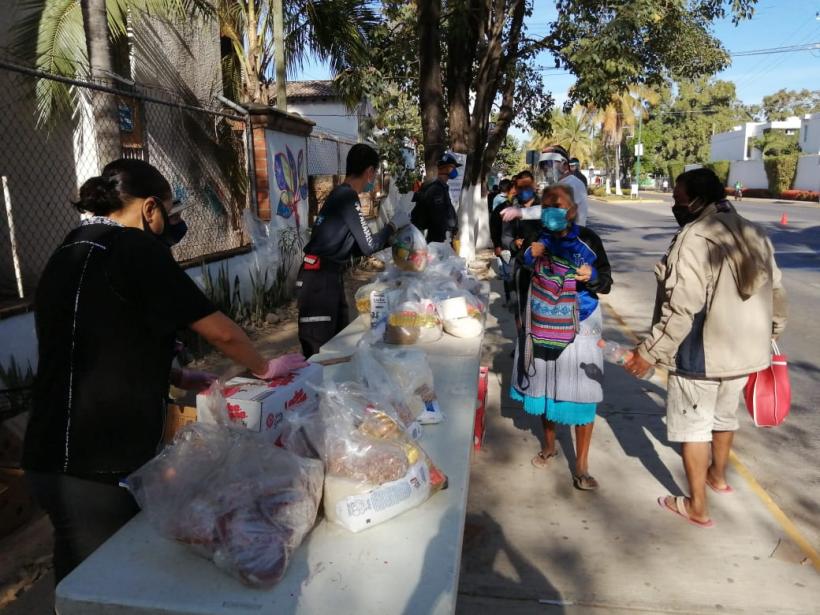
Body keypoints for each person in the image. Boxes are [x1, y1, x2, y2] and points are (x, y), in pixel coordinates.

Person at [23, 159, 308, 585]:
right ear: (150, 208)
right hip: (97, 463)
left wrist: (173, 375)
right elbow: (221, 332)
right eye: (171, 213)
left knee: (76, 575)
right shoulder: (133, 247)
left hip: (46, 454)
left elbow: (96, 334)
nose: (173, 225)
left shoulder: (70, 248)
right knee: (107, 583)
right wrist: (266, 367)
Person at [624, 168, 787, 528]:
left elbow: (682, 307)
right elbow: (776, 289)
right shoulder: (753, 231)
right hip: (746, 353)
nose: (674, 205)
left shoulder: (695, 237)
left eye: (678, 199)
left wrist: (649, 352)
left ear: (697, 200)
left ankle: (697, 505)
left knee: (693, 428)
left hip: (701, 353)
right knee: (724, 417)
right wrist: (773, 332)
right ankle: (718, 477)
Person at [511, 184, 612, 490]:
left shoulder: (588, 240)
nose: (552, 210)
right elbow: (520, 265)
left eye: (559, 205)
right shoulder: (536, 235)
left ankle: (581, 465)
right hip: (542, 322)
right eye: (547, 205)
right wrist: (529, 254)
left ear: (573, 210)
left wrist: (590, 276)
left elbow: (606, 281)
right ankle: (549, 445)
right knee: (544, 385)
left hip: (581, 322)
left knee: (583, 393)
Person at [298, 144, 409, 357]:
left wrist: (391, 238)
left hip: (327, 276)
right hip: (318, 281)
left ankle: (333, 390)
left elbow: (359, 247)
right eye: (374, 174)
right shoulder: (346, 197)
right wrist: (393, 226)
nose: (374, 180)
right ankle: (316, 390)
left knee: (338, 344)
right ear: (369, 172)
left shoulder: (340, 195)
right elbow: (369, 245)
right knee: (319, 351)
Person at [502, 145, 590, 227]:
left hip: (570, 238)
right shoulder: (560, 184)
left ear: (565, 165)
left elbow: (550, 210)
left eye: (548, 164)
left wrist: (520, 212)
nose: (545, 169)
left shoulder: (572, 184)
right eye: (543, 165)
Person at [501, 174, 543, 329]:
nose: (524, 190)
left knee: (539, 311)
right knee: (520, 309)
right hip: (521, 267)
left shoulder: (545, 207)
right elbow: (505, 237)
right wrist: (513, 243)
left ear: (534, 186)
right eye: (521, 187)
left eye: (527, 186)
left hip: (542, 268)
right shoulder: (512, 210)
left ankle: (535, 347)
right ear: (516, 189)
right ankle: (521, 345)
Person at [410, 152, 461, 243]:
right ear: (448, 168)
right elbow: (439, 219)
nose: (455, 170)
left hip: (441, 240)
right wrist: (447, 235)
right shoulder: (437, 190)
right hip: (438, 242)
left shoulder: (441, 187)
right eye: (453, 167)